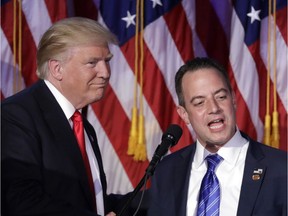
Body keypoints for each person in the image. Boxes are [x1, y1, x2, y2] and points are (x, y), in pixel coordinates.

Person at [1, 17, 123, 216]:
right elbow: (22, 201)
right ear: (57, 69)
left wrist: (167, 192)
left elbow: (89, 202)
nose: (105, 72)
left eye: (106, 61)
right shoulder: (15, 116)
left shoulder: (81, 124)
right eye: (92, 62)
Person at [147, 57, 287, 216]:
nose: (214, 108)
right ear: (184, 114)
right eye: (199, 102)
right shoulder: (167, 171)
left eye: (221, 97)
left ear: (233, 99)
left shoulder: (281, 169)